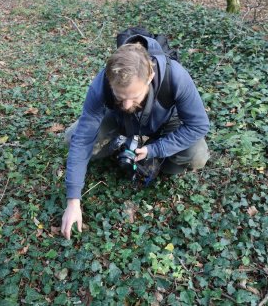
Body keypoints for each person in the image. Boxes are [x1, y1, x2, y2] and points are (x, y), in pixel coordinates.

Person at [61, 34, 210, 239]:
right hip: (120, 122)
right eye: (120, 97)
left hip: (164, 122)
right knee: (72, 138)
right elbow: (83, 137)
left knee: (197, 156)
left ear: (149, 77)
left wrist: (155, 149)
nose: (127, 105)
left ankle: (151, 154)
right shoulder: (103, 83)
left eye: (134, 97)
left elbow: (199, 125)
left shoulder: (175, 76)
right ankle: (119, 144)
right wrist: (73, 201)